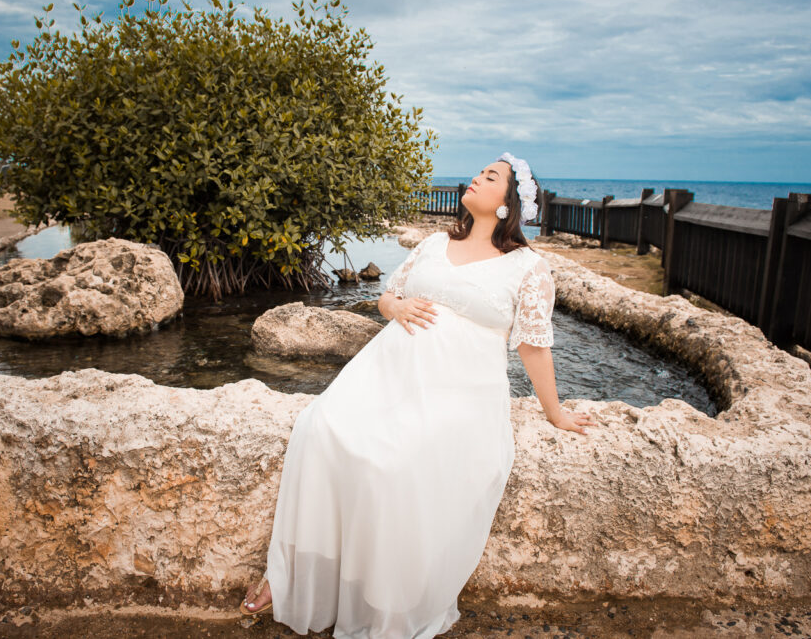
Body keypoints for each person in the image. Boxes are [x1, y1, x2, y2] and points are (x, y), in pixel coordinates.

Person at [239, 153, 596, 637]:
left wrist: (555, 413)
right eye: (478, 171)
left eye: (490, 176)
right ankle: (291, 577)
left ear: (509, 205)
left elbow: (534, 347)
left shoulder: (528, 268)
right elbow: (387, 298)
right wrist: (397, 307)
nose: (475, 177)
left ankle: (378, 603)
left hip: (459, 392)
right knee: (316, 430)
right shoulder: (432, 242)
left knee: (391, 466)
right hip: (384, 373)